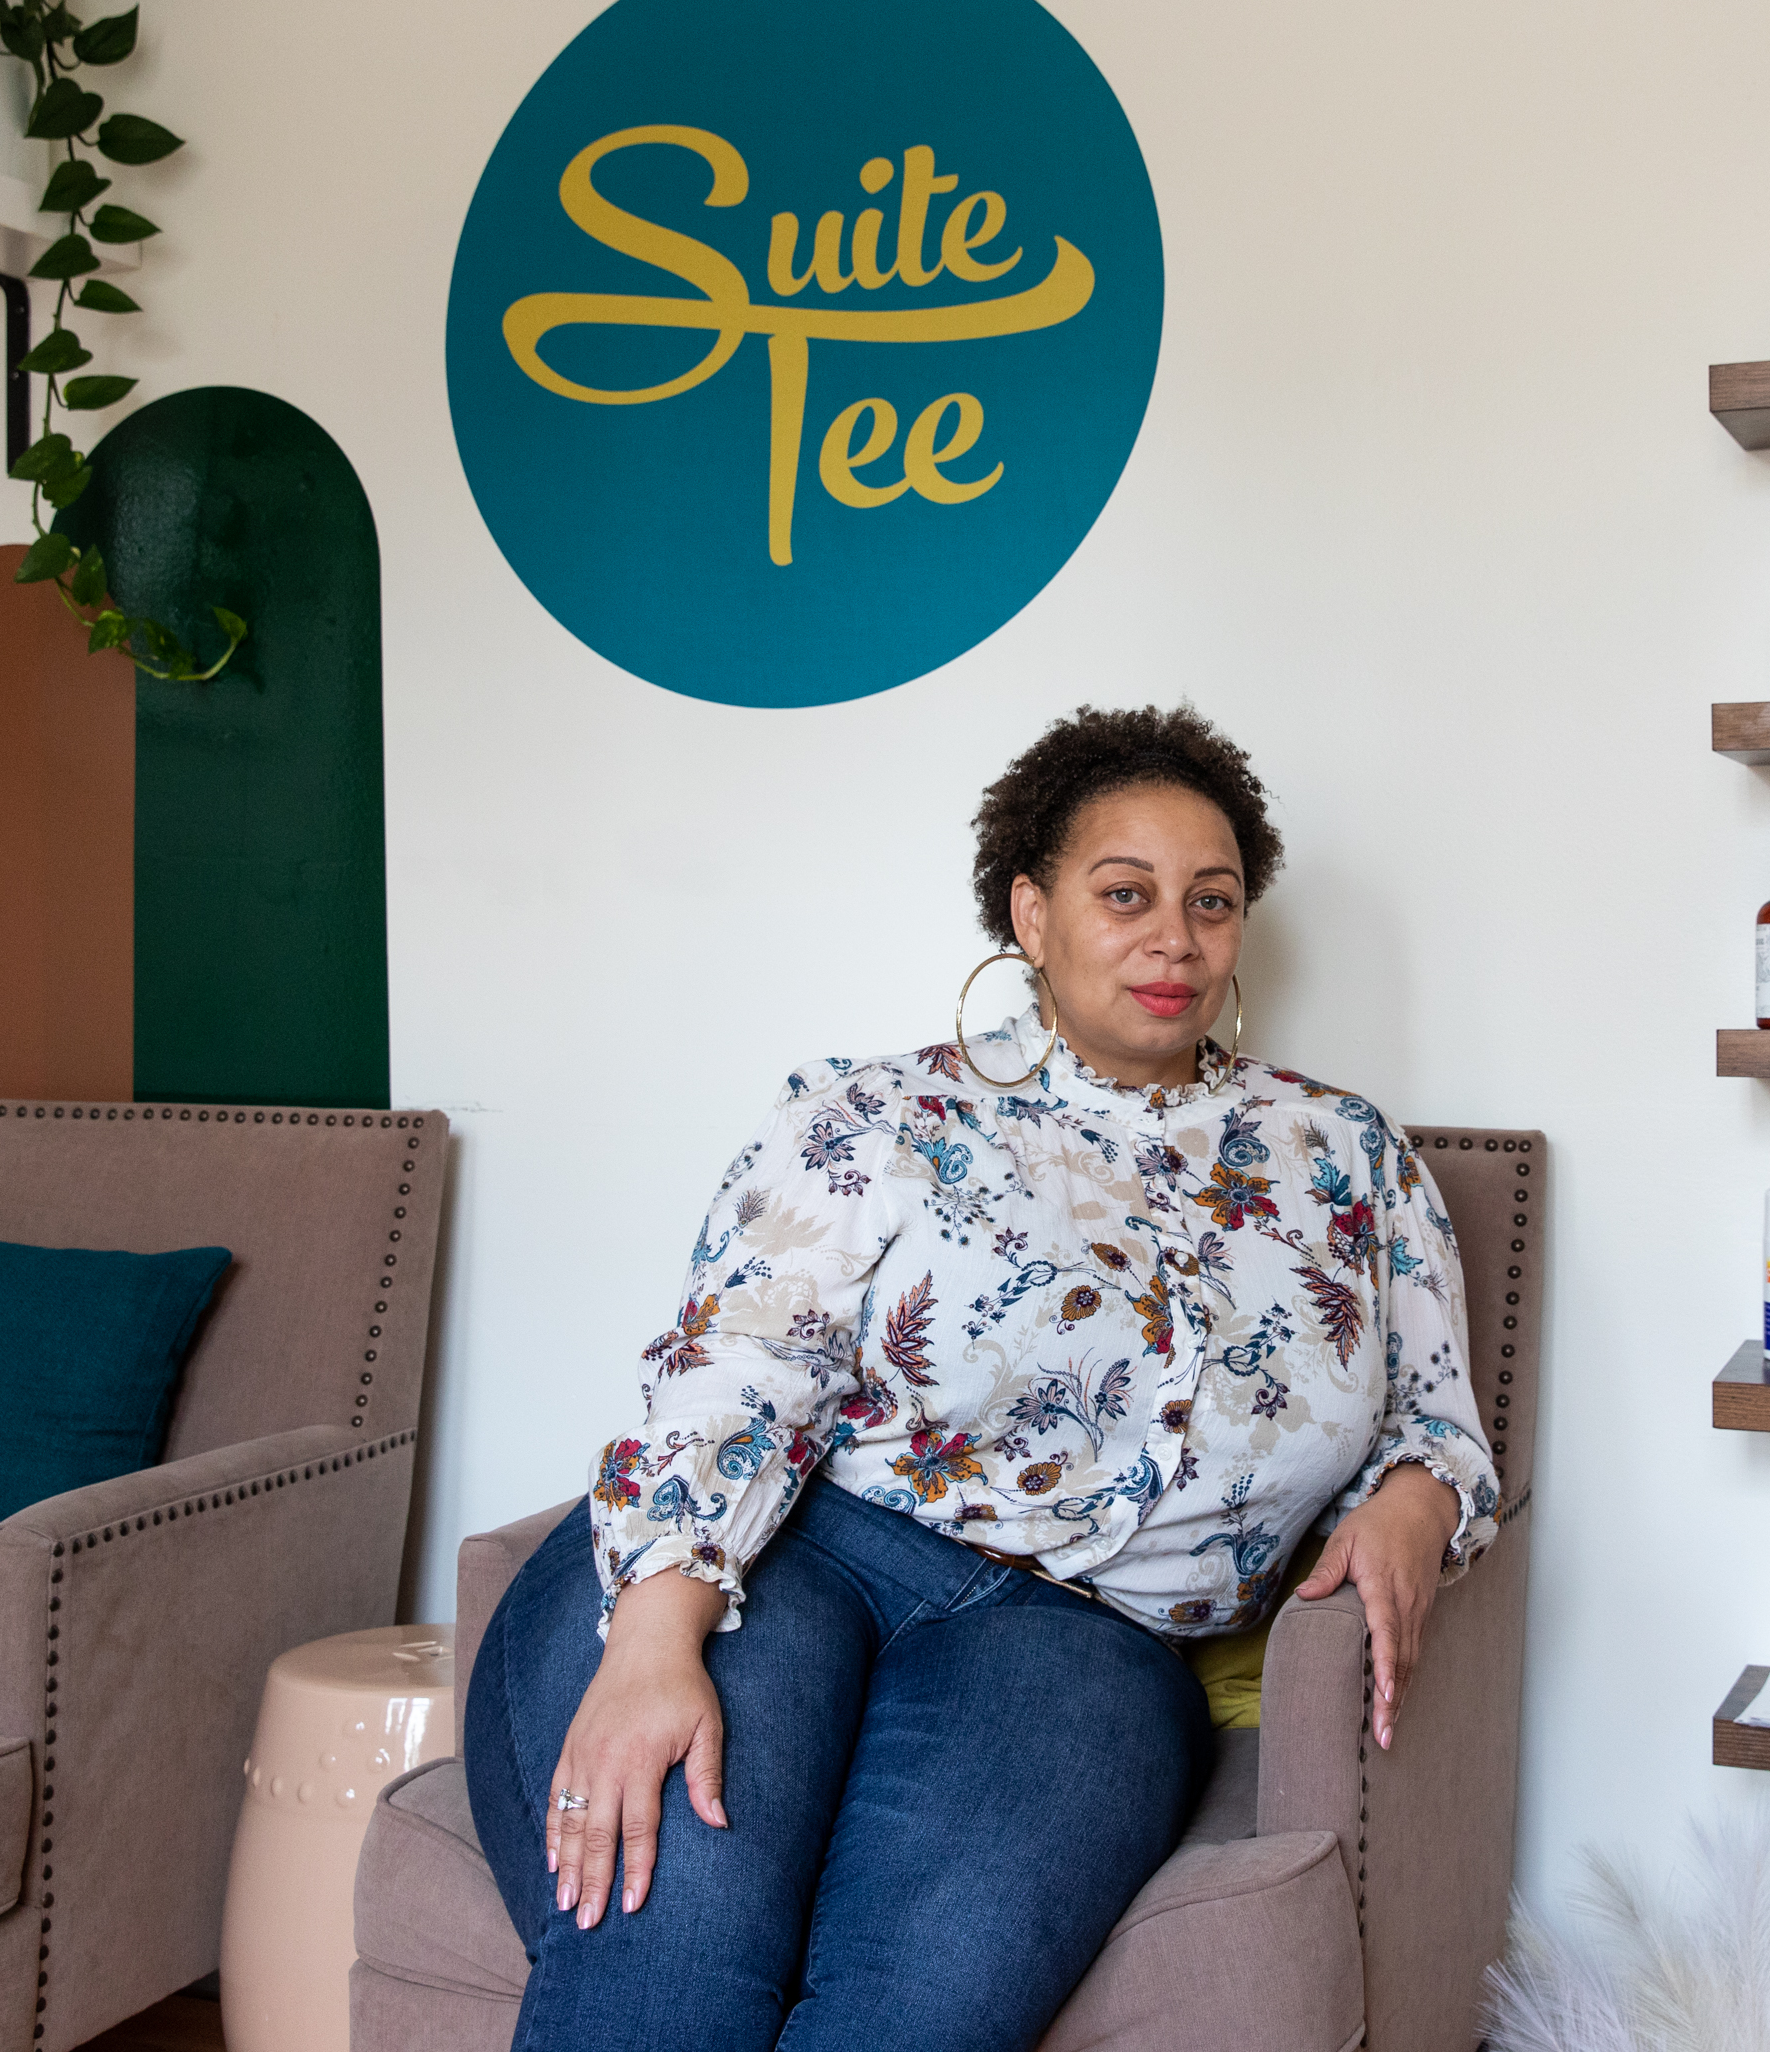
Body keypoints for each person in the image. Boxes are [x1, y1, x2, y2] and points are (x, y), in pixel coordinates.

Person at [463, 704, 1501, 2052]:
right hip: (787, 1562)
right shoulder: (873, 1115)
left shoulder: (1349, 1158)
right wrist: (655, 1639)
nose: (1173, 936)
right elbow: (732, 1372)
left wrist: (1419, 1498)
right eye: (1123, 894)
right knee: (675, 1958)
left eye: (1212, 900)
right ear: (1030, 910)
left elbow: (1438, 1424)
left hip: (1081, 1646)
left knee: (911, 2021)